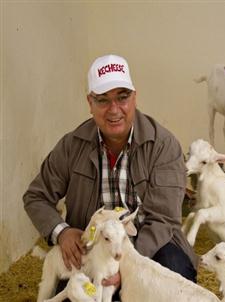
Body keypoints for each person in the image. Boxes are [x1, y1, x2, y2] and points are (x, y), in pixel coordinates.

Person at [23, 54, 198, 299]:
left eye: (122, 97)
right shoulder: (72, 146)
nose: (114, 110)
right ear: (90, 103)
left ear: (135, 97)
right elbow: (36, 196)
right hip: (95, 250)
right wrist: (61, 231)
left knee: (174, 272)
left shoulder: (162, 145)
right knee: (76, 293)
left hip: (152, 247)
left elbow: (163, 220)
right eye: (103, 100)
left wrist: (126, 266)